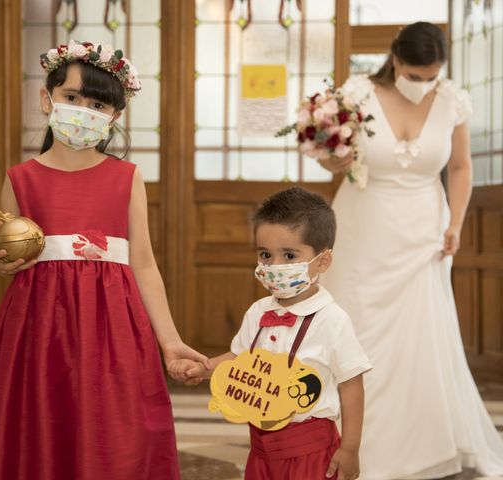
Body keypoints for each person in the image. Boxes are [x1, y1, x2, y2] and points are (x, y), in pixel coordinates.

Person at [0, 39, 209, 480]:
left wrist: (169, 341)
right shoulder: (20, 179)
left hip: (111, 327)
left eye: (96, 104)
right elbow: (9, 251)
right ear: (46, 99)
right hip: (38, 328)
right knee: (38, 421)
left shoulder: (126, 178)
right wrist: (2, 264)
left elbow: (144, 264)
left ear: (114, 116)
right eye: (71, 98)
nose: (82, 109)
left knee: (114, 426)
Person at [318, 22, 503, 479]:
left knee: (421, 334)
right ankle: (341, 438)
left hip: (424, 230)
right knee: (356, 325)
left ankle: (421, 443)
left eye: (431, 78)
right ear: (395, 61)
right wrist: (331, 158)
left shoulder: (452, 101)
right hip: (364, 225)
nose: (423, 86)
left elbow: (460, 167)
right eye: (415, 76)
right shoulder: (356, 94)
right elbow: (328, 154)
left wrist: (456, 223)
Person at [171, 187, 372, 480]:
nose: (274, 266)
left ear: (323, 261)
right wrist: (203, 369)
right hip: (261, 444)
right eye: (265, 255)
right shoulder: (257, 311)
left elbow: (352, 385)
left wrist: (351, 448)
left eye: (289, 255)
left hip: (310, 448)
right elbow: (240, 358)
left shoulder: (332, 320)